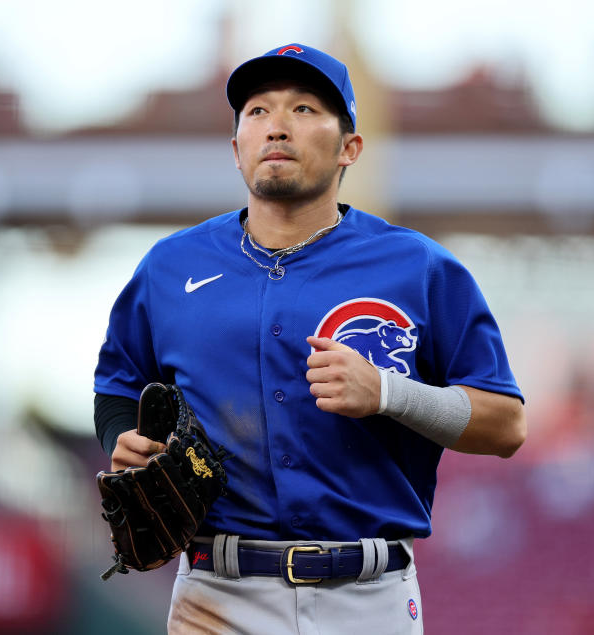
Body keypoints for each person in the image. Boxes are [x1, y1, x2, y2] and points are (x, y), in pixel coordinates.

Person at [93, 43, 526, 634]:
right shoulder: (171, 266)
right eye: (257, 111)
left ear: (350, 147)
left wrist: (389, 392)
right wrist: (125, 438)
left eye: (303, 109)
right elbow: (118, 383)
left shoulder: (419, 268)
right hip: (217, 597)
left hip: (368, 597)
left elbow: (506, 425)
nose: (276, 125)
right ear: (237, 148)